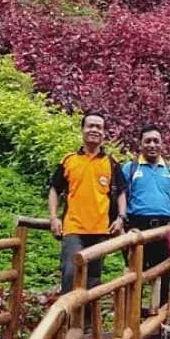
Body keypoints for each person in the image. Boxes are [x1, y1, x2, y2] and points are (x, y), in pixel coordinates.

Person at [48, 111, 127, 293]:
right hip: (73, 228)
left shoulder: (111, 163)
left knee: (92, 279)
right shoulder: (69, 161)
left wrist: (121, 217)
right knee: (70, 272)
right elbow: (54, 189)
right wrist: (53, 218)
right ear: (82, 130)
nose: (94, 130)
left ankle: (88, 321)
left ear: (104, 133)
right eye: (90, 126)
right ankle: (67, 319)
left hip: (100, 229)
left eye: (99, 127)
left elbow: (122, 192)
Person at [121, 123, 170, 305]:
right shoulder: (130, 168)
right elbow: (120, 197)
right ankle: (132, 318)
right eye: (147, 141)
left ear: (162, 144)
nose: (152, 145)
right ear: (140, 144)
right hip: (136, 227)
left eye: (156, 141)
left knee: (164, 274)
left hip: (165, 228)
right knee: (135, 273)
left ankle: (158, 321)